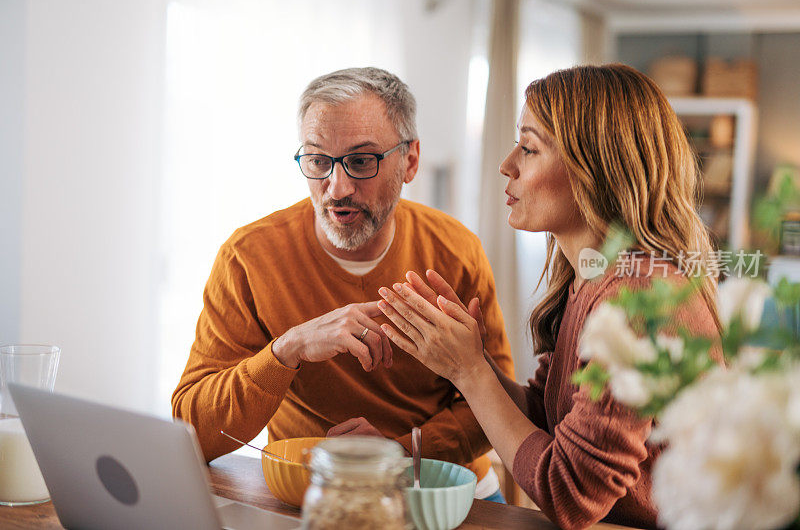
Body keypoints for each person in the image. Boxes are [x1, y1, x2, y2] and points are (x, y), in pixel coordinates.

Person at [375, 64, 722, 529]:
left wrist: (470, 371)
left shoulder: (638, 300)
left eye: (529, 147)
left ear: (595, 170)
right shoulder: (590, 278)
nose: (507, 164)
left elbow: (570, 496)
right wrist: (465, 352)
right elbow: (545, 414)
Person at [171, 67, 514, 502]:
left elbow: (497, 406)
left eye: (361, 161)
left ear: (409, 161)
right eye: (318, 161)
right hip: (308, 493)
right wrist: (288, 349)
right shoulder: (248, 257)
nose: (338, 187)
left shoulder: (455, 251)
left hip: (440, 492)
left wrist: (400, 453)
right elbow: (192, 432)